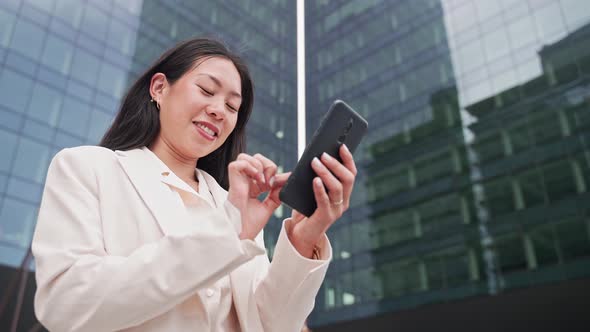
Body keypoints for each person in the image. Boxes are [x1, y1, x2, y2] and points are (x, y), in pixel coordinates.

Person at [32, 37, 357, 332]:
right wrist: (227, 234)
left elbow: (272, 325)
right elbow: (65, 305)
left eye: (232, 107)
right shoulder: (88, 168)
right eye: (206, 90)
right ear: (159, 88)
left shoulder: (235, 206)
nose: (219, 111)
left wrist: (303, 239)